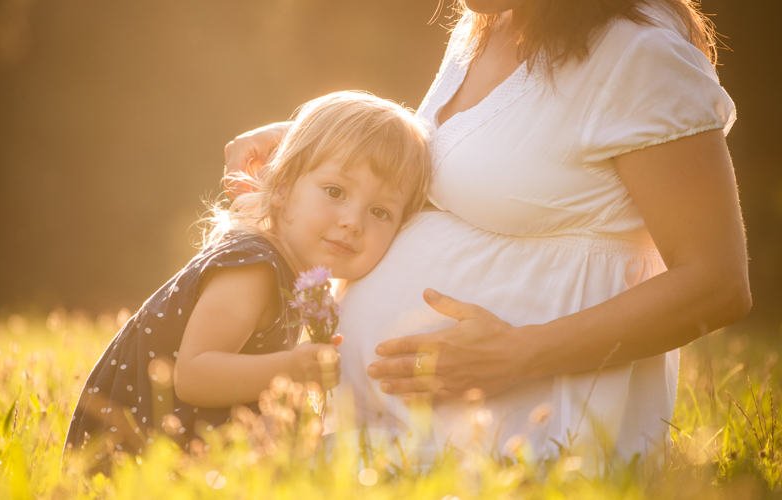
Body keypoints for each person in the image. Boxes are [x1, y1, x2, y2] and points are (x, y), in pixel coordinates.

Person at [224, 0, 750, 463]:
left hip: (533, 440)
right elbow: (475, 154)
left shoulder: (641, 56)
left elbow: (716, 283)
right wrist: (316, 140)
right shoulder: (489, 21)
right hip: (390, 434)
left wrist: (519, 353)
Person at [64, 91, 432, 471]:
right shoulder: (254, 268)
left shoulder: (286, 271)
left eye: (380, 211)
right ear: (283, 188)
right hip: (132, 458)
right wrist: (289, 369)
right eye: (335, 192)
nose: (353, 221)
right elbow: (193, 375)